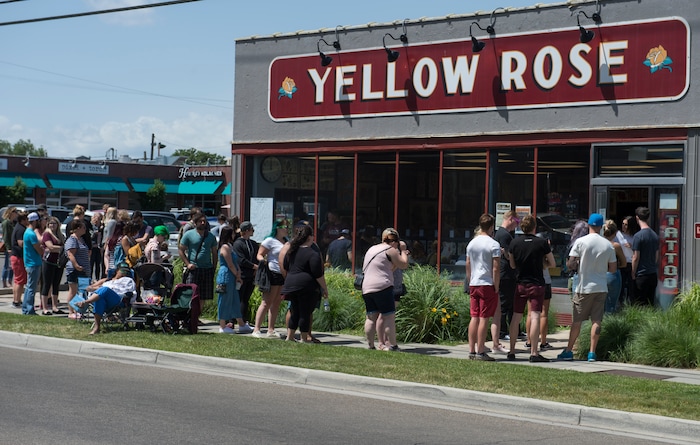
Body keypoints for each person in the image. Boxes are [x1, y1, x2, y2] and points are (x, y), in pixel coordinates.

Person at [558, 213, 617, 362]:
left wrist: (577, 265)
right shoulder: (608, 245)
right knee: (596, 320)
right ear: (601, 226)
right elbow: (613, 269)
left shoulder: (581, 242)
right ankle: (592, 352)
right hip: (601, 286)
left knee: (577, 321)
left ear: (589, 225)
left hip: (584, 287)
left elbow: (570, 264)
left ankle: (569, 350)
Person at [507, 214, 555, 363]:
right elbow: (552, 263)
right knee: (535, 316)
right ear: (534, 227)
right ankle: (534, 352)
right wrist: (543, 265)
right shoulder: (541, 243)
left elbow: (513, 265)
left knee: (516, 317)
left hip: (521, 283)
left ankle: (512, 350)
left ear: (522, 227)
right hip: (537, 284)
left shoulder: (514, 243)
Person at [361, 228, 410, 351]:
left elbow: (387, 267)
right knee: (389, 316)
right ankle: (393, 345)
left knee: (371, 317)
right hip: (383, 287)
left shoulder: (372, 249)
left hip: (367, 287)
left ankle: (371, 345)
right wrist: (403, 251)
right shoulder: (390, 250)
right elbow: (403, 264)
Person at [279, 223, 328, 343]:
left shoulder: (291, 251)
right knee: (305, 312)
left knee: (294, 311)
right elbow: (318, 274)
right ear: (309, 237)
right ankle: (304, 338)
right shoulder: (313, 254)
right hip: (306, 287)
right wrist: (324, 288)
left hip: (291, 284)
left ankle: (290, 337)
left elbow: (285, 266)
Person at [465, 214, 501, 361]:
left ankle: (471, 350)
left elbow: (467, 264)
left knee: (474, 316)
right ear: (492, 226)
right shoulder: (494, 244)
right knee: (484, 317)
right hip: (487, 283)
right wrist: (496, 285)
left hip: (474, 282)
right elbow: (496, 268)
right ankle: (481, 350)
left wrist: (470, 280)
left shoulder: (472, 243)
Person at [252, 218, 289, 338]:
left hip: (282, 274)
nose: (287, 229)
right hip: (272, 272)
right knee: (266, 301)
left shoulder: (286, 242)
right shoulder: (270, 241)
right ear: (277, 228)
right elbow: (259, 254)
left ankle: (271, 329)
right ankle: (256, 329)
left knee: (277, 302)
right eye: (284, 227)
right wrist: (263, 261)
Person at [74, 262, 135, 335]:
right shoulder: (107, 281)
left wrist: (105, 289)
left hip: (117, 300)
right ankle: (97, 328)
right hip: (104, 300)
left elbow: (129, 292)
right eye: (122, 271)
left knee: (105, 289)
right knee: (99, 299)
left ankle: (85, 302)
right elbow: (90, 288)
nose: (124, 273)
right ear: (117, 270)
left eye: (126, 272)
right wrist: (96, 287)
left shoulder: (128, 280)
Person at [178, 212, 218, 315]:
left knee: (203, 295)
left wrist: (213, 267)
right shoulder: (189, 234)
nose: (203, 223)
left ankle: (197, 316)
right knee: (191, 293)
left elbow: (214, 252)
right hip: (194, 269)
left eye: (204, 221)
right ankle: (189, 315)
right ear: (195, 223)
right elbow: (181, 250)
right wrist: (187, 264)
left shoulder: (210, 236)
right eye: (200, 221)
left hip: (207, 269)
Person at [216, 226, 252, 334]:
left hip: (233, 275)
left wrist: (238, 272)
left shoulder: (230, 246)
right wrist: (237, 275)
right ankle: (222, 325)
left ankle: (241, 323)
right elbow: (230, 264)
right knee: (224, 300)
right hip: (226, 275)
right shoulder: (225, 247)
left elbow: (235, 263)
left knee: (235, 299)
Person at [494, 211, 520, 341]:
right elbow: (509, 255)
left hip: (507, 273)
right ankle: (503, 331)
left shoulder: (501, 233)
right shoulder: (504, 235)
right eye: (517, 222)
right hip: (506, 273)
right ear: (510, 219)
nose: (517, 225)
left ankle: (515, 330)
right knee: (505, 303)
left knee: (512, 303)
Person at [632, 206, 659, 306]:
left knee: (639, 304)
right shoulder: (654, 235)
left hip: (641, 275)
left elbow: (635, 257)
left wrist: (633, 272)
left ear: (637, 218)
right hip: (652, 274)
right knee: (650, 303)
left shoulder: (638, 236)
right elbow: (656, 256)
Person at [232, 221, 258, 324]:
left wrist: (256, 268)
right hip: (241, 274)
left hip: (251, 275)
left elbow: (256, 256)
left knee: (246, 298)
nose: (253, 231)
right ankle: (233, 319)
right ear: (246, 231)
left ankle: (243, 319)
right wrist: (253, 266)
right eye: (252, 229)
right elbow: (240, 260)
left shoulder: (253, 244)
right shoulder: (238, 243)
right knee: (239, 297)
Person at [65, 219, 91, 319]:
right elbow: (70, 254)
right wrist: (76, 265)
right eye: (84, 227)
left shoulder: (81, 239)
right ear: (78, 228)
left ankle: (78, 310)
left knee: (82, 290)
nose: (85, 229)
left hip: (83, 270)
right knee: (73, 291)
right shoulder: (72, 239)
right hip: (75, 270)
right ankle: (71, 312)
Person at [40, 216, 66, 315]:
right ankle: (45, 308)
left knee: (56, 285)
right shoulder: (47, 234)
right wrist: (61, 248)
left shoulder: (60, 235)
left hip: (58, 263)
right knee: (47, 284)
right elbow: (50, 247)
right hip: (48, 262)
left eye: (54, 223)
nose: (52, 225)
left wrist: (59, 248)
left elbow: (64, 245)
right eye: (50, 223)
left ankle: (55, 307)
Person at [21, 212, 43, 315]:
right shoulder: (31, 233)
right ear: (34, 221)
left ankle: (25, 308)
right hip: (33, 263)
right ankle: (29, 309)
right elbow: (38, 249)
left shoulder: (27, 232)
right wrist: (42, 250)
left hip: (29, 263)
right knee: (31, 288)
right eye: (38, 220)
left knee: (29, 287)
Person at [603, 220, 627, 314]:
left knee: (599, 303)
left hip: (599, 274)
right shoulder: (615, 246)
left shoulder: (599, 244)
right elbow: (624, 263)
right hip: (612, 275)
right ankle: (609, 326)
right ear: (615, 233)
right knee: (611, 304)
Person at [615, 215, 636, 305]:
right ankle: (620, 303)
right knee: (621, 285)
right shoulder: (618, 235)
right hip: (621, 262)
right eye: (623, 224)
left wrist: (632, 247)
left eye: (626, 225)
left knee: (631, 286)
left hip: (632, 263)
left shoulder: (635, 237)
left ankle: (630, 303)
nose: (624, 226)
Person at [10, 212, 29, 309]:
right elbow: (21, 243)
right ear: (23, 220)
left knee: (18, 279)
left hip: (16, 257)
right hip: (18, 257)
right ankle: (16, 301)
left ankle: (17, 299)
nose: (28, 221)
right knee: (20, 281)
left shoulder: (18, 227)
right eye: (27, 219)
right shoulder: (21, 229)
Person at [2, 206, 17, 288]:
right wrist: (8, 248)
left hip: (14, 246)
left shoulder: (13, 223)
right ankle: (4, 281)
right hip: (9, 247)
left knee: (12, 265)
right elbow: (6, 236)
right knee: (7, 265)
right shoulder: (6, 223)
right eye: (15, 212)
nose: (16, 214)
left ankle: (10, 280)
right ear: (10, 213)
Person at [102, 206, 118, 276]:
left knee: (106, 260)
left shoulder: (112, 222)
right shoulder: (110, 221)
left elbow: (109, 234)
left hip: (108, 243)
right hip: (106, 242)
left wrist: (106, 244)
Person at [90, 212, 104, 280]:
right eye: (95, 218)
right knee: (91, 264)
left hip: (99, 248)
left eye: (99, 218)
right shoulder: (91, 226)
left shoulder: (102, 226)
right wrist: (95, 233)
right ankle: (89, 279)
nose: (97, 220)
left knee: (98, 264)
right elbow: (90, 236)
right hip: (92, 247)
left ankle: (97, 279)